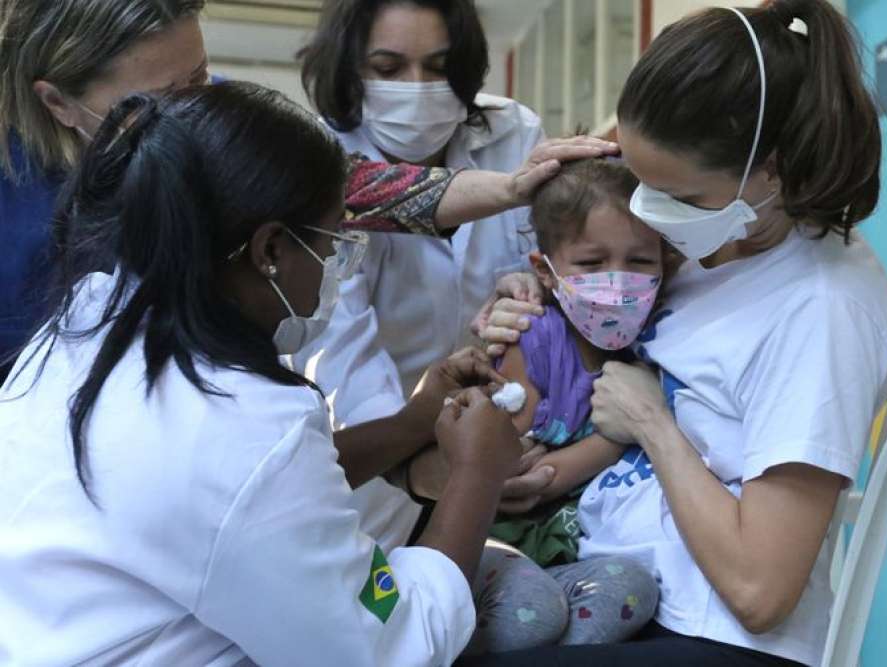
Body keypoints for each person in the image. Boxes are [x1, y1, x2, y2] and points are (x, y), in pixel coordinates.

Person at [0, 82, 526, 666]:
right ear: (270, 249)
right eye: (334, 242)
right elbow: (387, 646)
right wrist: (479, 475)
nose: (338, 262)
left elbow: (247, 504)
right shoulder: (238, 429)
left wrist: (412, 423)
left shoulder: (94, 313)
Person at [463, 2, 887, 665]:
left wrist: (651, 423)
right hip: (612, 583)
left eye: (683, 199)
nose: (655, 221)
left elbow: (761, 589)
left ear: (774, 169)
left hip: (711, 631)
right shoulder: (710, 244)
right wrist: (532, 293)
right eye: (643, 184)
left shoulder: (822, 306)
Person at [0, 0, 612, 385]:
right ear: (57, 100)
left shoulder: (216, 118)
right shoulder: (18, 192)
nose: (195, 112)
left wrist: (509, 187)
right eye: (165, 98)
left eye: (201, 78)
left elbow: (346, 187)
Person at [296, 0, 550, 552]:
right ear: (349, 71)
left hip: (505, 429)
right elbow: (344, 355)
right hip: (380, 455)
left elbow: (537, 267)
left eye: (438, 67)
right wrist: (432, 461)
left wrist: (525, 288)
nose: (418, 86)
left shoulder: (513, 133)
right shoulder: (317, 161)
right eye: (388, 69)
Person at [465, 159, 669, 655]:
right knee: (535, 611)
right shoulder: (530, 338)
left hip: (571, 556)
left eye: (640, 262)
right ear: (546, 271)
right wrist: (621, 432)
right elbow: (525, 481)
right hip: (492, 545)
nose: (618, 283)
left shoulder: (658, 341)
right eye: (592, 263)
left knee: (633, 589)